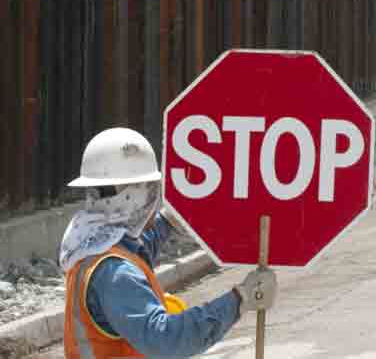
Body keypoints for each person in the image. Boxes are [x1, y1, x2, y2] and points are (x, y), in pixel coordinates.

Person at [61, 128, 277, 358]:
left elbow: (139, 247)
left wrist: (173, 218)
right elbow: (166, 340)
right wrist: (239, 299)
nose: (154, 200)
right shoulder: (115, 273)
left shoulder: (89, 243)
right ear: (136, 196)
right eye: (151, 191)